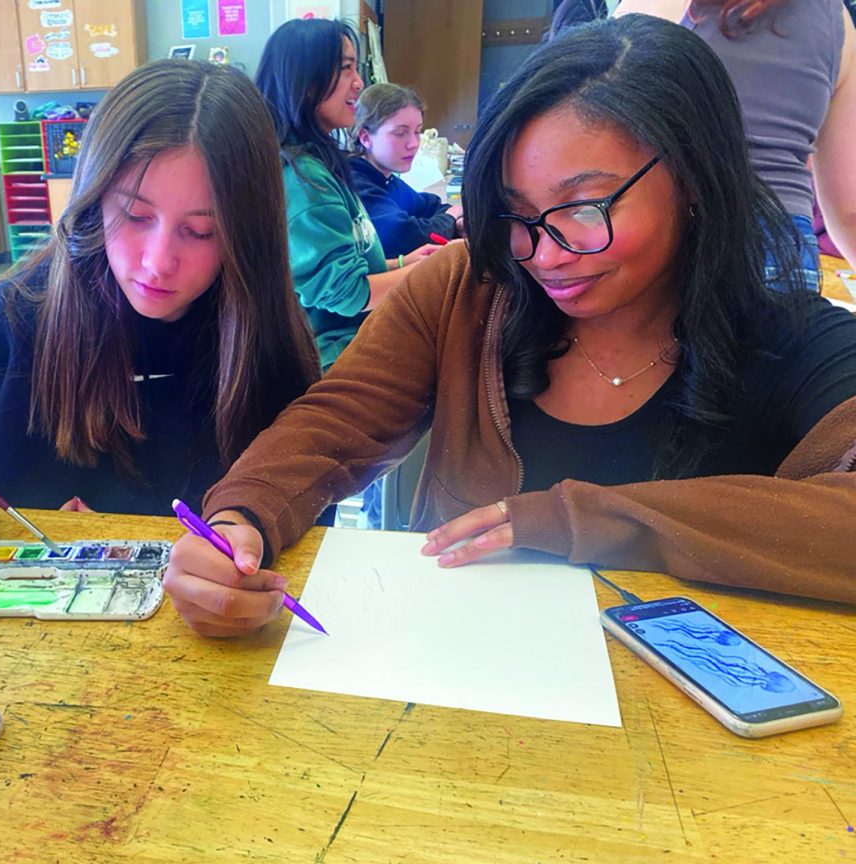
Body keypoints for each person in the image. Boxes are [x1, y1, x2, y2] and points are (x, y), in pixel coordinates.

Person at [161, 15, 856, 637]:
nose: (544, 254)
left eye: (585, 206)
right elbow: (336, 423)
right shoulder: (468, 291)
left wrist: (579, 521)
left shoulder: (794, 342)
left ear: (696, 177)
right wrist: (241, 519)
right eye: (516, 214)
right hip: (463, 717)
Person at [0, 60, 320, 540]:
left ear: (247, 236)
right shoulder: (12, 318)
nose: (158, 262)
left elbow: (308, 497)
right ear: (94, 200)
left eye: (201, 231)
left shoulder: (264, 338)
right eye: (135, 217)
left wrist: (248, 539)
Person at [615, 0, 856, 285]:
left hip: (681, 239)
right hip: (787, 251)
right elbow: (849, 209)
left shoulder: (661, 7)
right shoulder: (836, 19)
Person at [255, 18, 440, 370]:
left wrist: (403, 263)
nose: (359, 83)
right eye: (346, 68)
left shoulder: (319, 162)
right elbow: (347, 293)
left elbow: (341, 267)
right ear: (305, 80)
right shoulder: (301, 176)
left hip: (357, 339)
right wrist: (434, 271)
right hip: (336, 358)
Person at [349, 83, 463, 261]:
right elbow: (405, 236)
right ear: (365, 137)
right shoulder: (356, 182)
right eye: (400, 133)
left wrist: (455, 219)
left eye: (417, 132)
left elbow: (429, 205)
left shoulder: (386, 179)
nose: (414, 143)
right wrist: (451, 218)